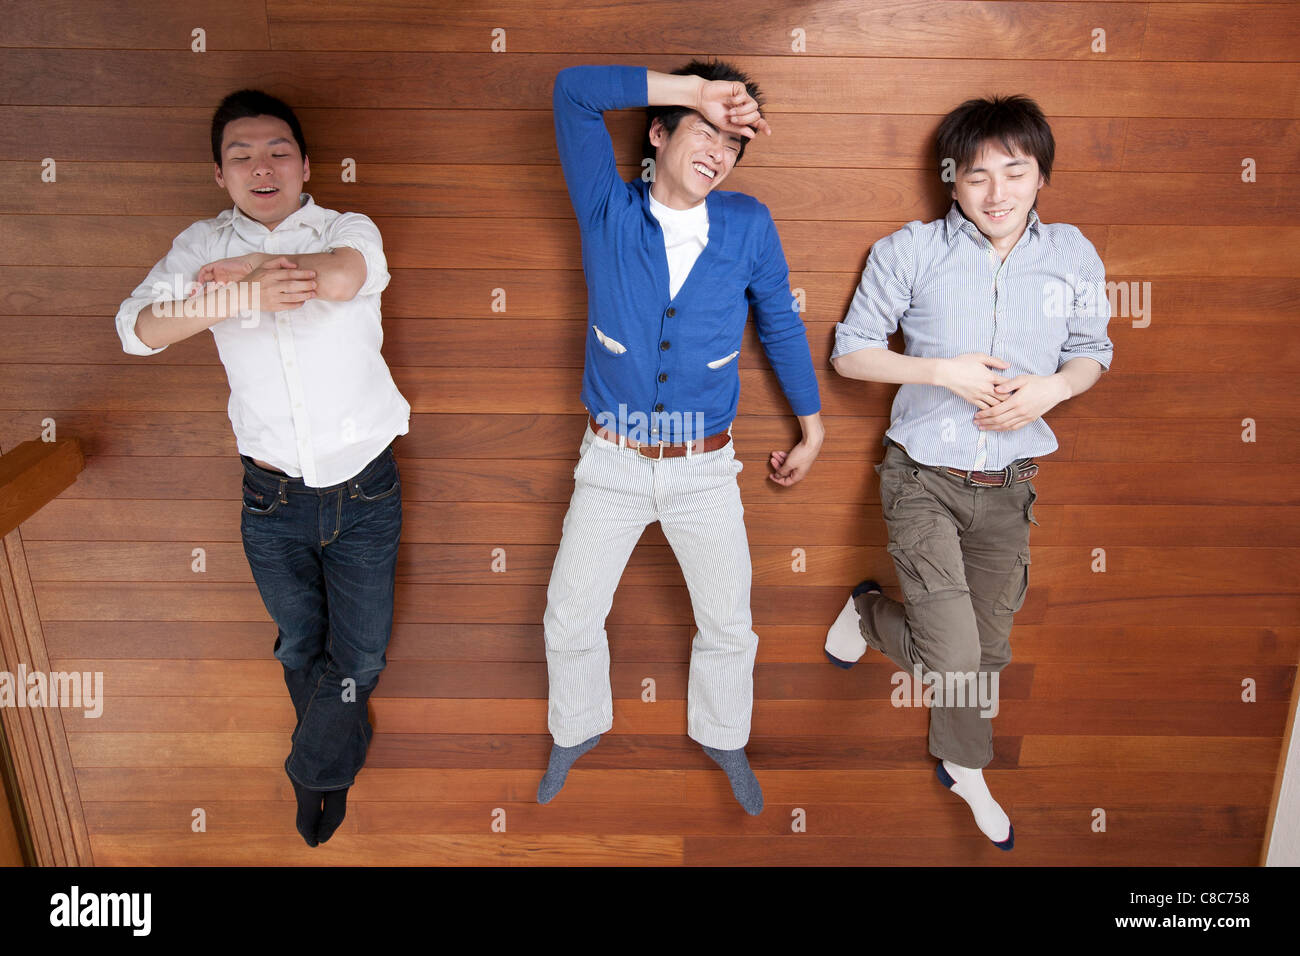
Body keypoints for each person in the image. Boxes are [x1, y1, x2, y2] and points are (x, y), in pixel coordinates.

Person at [113, 89, 408, 847]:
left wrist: (251, 268)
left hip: (366, 487)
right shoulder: (197, 247)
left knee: (364, 651)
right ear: (219, 174)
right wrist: (238, 291)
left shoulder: (346, 227)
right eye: (240, 155)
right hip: (269, 494)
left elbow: (346, 276)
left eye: (277, 151)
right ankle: (331, 757)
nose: (261, 166)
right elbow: (137, 331)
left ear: (305, 164)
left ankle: (316, 771)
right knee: (298, 644)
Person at [824, 95, 1113, 849]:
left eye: (1015, 172)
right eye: (977, 175)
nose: (997, 192)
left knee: (989, 654)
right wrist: (940, 372)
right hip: (922, 479)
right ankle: (871, 619)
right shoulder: (910, 251)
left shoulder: (1074, 254)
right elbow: (850, 352)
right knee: (953, 657)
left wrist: (1054, 388)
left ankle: (958, 760)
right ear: (952, 179)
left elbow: (1094, 350)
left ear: (1040, 175)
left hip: (1010, 485)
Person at [539, 61, 824, 814]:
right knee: (570, 613)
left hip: (705, 469)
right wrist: (695, 90)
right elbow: (573, 90)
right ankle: (576, 728)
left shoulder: (748, 223)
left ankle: (724, 737)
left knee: (729, 621)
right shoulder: (607, 206)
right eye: (707, 129)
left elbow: (781, 322)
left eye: (734, 141)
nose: (721, 151)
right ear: (660, 132)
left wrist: (813, 423)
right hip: (612, 461)